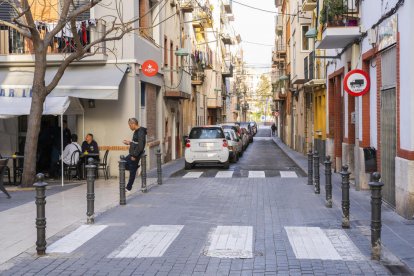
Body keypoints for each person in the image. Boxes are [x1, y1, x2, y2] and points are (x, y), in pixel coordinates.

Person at [123, 118, 147, 192]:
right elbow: (136, 143)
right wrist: (129, 143)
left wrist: (135, 156)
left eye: (129, 125)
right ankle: (136, 167)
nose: (129, 127)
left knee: (130, 170)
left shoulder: (140, 132)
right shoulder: (137, 131)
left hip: (135, 155)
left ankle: (128, 188)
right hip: (133, 153)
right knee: (123, 163)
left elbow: (141, 146)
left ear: (133, 124)